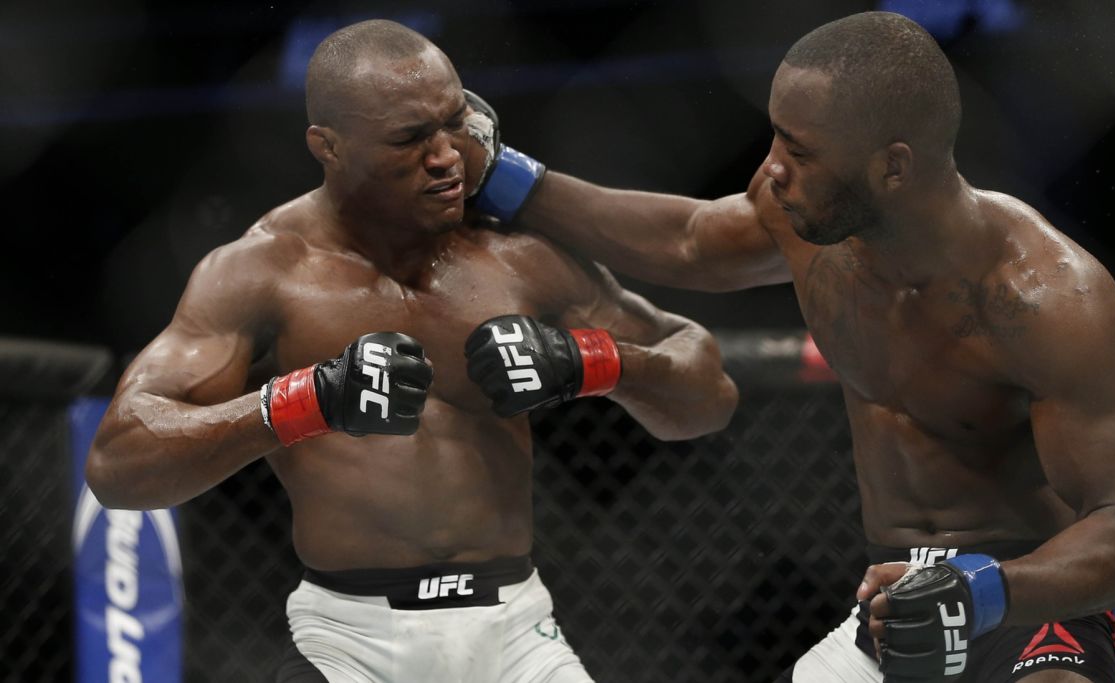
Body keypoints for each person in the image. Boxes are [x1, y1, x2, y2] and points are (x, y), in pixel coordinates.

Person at [470, 11, 1115, 683]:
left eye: (799, 151)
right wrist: (512, 181)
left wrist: (984, 590)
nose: (771, 169)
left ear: (892, 168)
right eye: (776, 138)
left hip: (1029, 596)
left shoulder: (1043, 296)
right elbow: (688, 240)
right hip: (891, 600)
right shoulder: (803, 220)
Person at [84, 19, 738, 683]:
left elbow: (708, 390)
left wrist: (594, 361)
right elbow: (118, 461)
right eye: (409, 138)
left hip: (516, 632)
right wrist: (307, 400)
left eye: (455, 121)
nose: (448, 155)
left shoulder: (516, 257)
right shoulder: (262, 273)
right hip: (350, 641)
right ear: (329, 147)